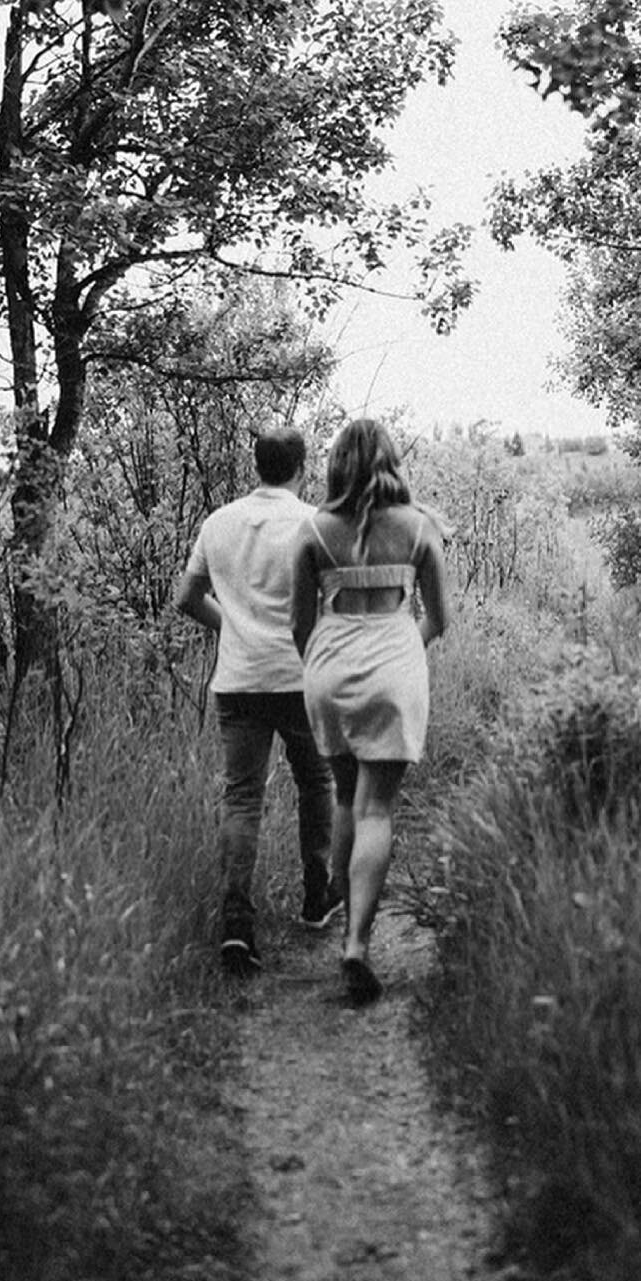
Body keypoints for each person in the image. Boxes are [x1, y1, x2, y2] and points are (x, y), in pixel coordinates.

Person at [291, 418, 449, 1006]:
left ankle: (338, 898)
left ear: (336, 466)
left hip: (328, 667)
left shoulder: (312, 530)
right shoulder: (419, 528)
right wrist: (405, 648)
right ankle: (357, 943)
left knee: (342, 795)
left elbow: (298, 624)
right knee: (377, 807)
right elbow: (439, 615)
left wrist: (322, 662)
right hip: (393, 663)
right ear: (390, 462)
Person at [173, 424, 340, 975]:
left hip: (239, 679)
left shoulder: (219, 522)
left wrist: (233, 630)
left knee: (242, 797)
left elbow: (186, 598)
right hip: (299, 675)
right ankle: (318, 898)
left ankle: (237, 928)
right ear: (302, 466)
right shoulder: (314, 524)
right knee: (316, 781)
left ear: (256, 464)